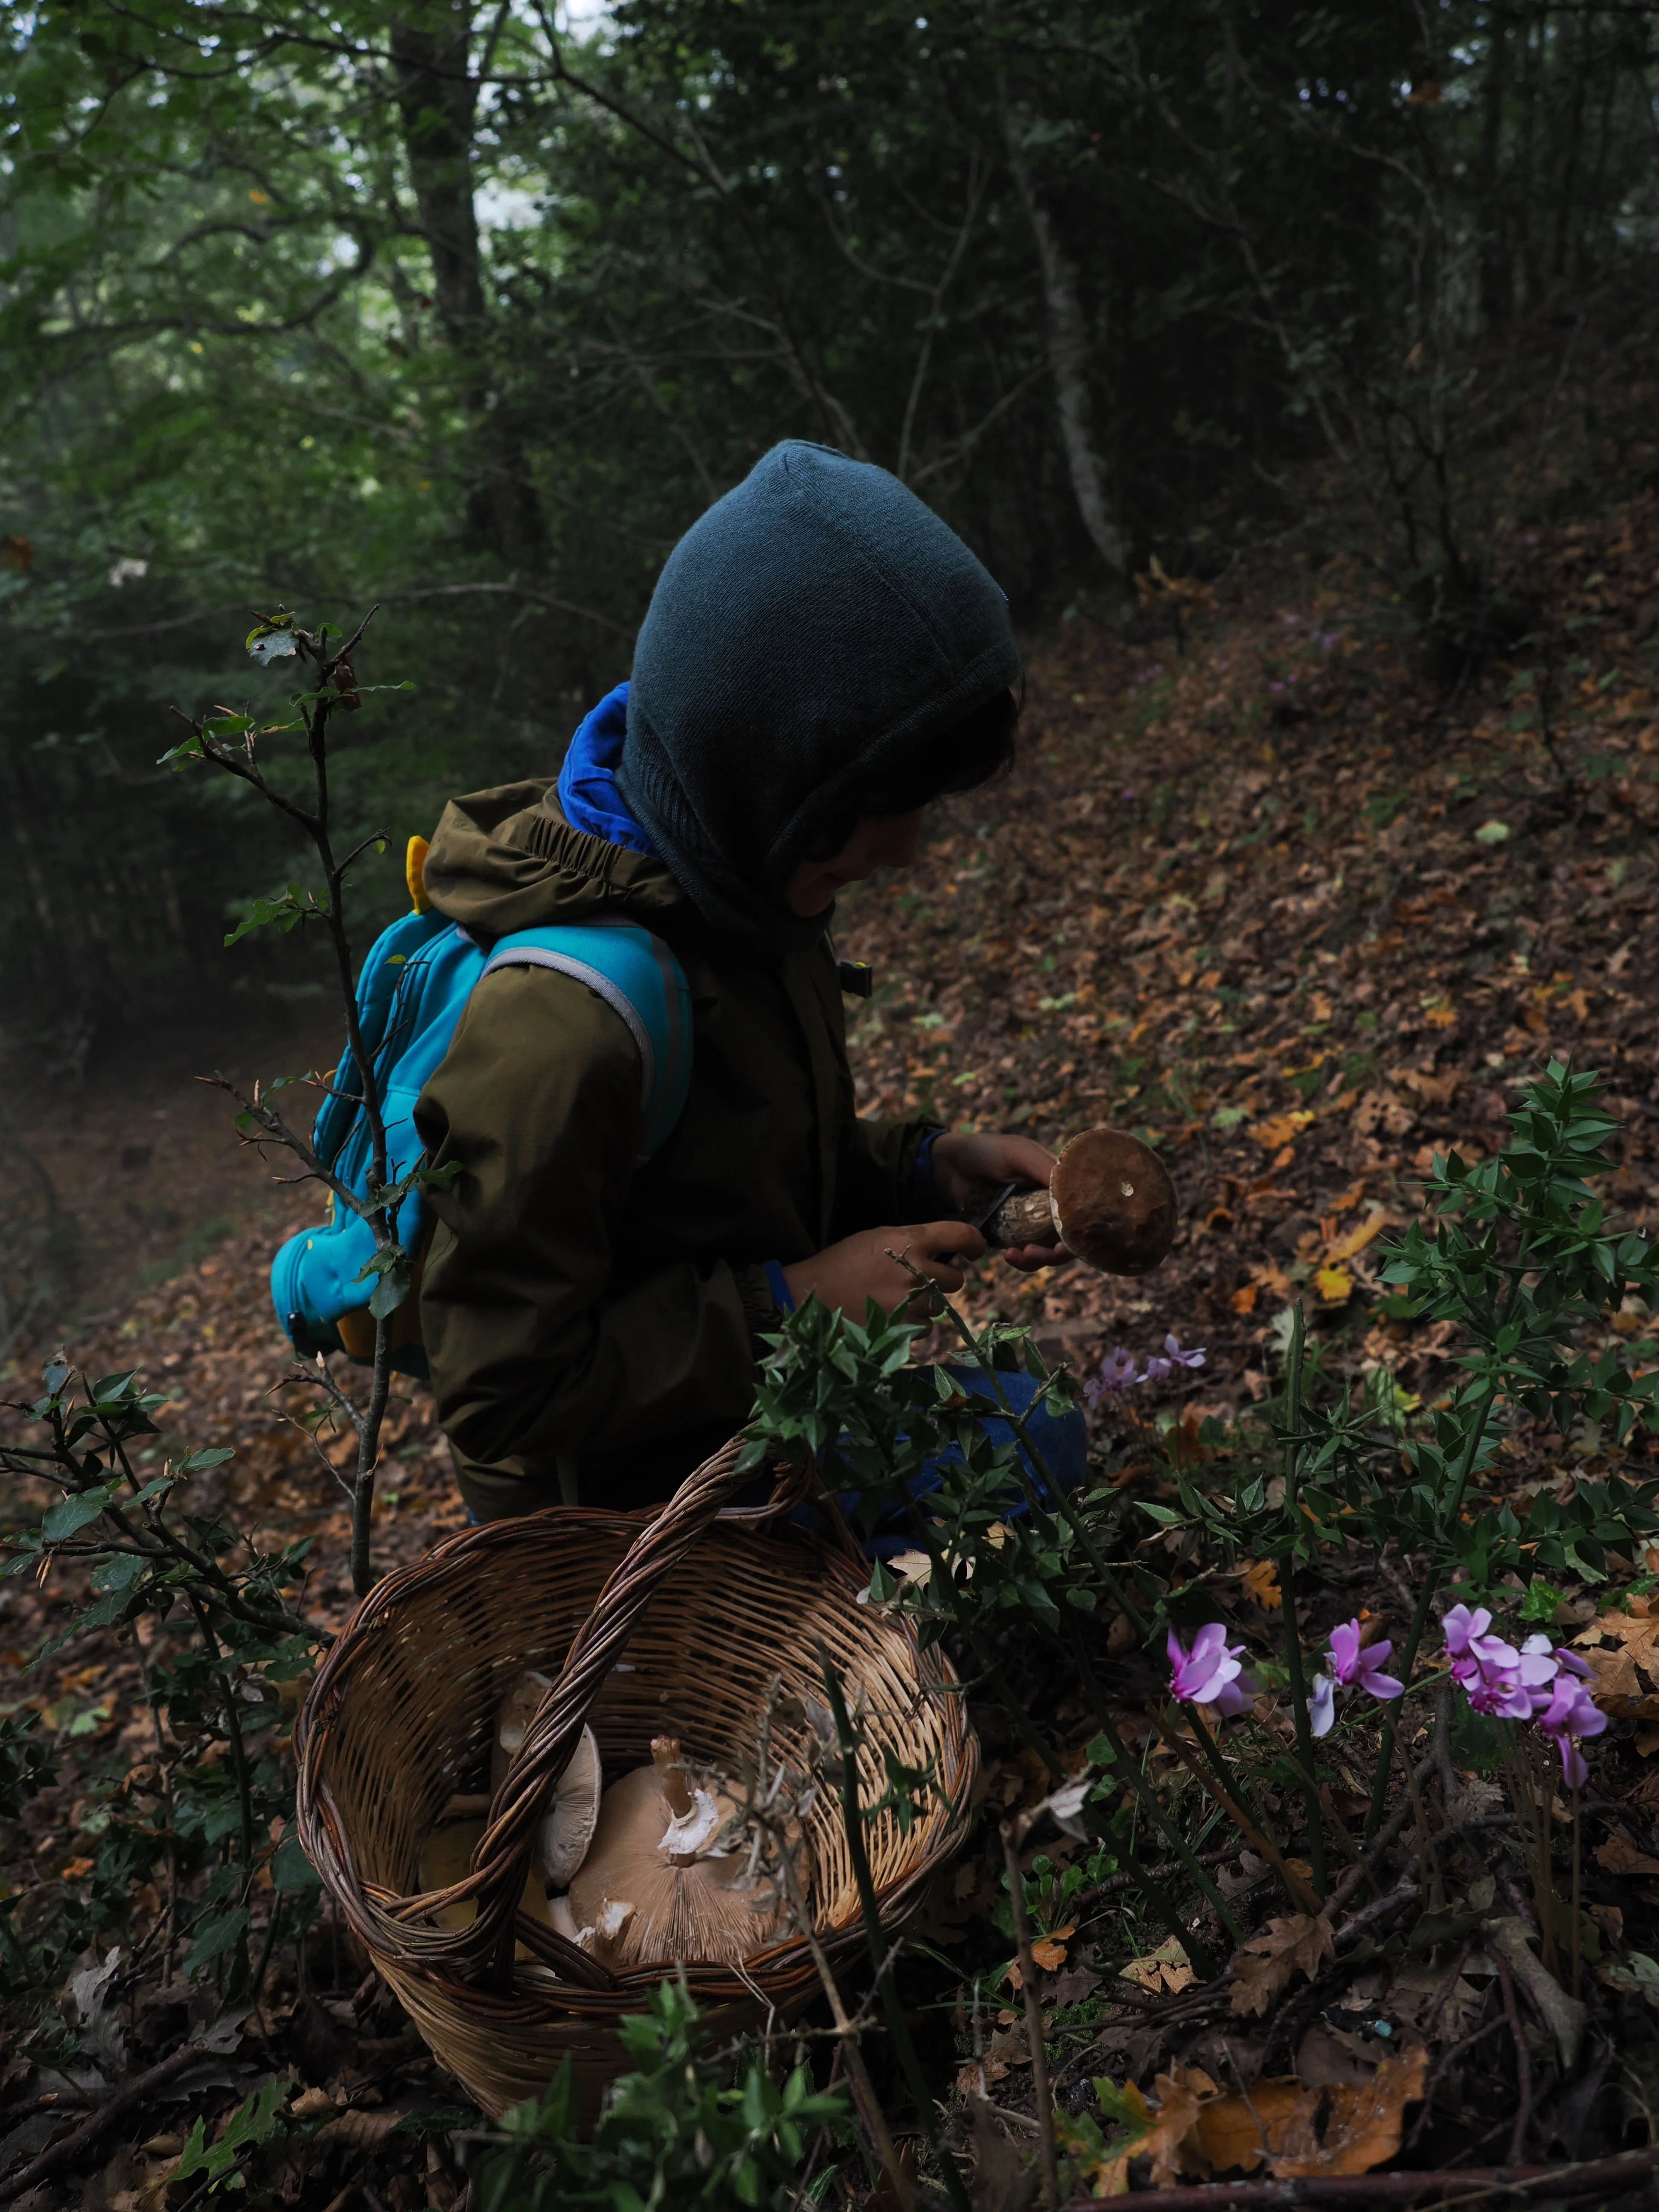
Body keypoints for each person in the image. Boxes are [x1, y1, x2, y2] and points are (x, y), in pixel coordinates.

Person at [413, 440, 1085, 1525]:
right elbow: (500, 1397)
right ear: (759, 778)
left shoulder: (744, 895)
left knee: (1030, 1426)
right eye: (883, 813)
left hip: (738, 1407)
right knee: (1027, 1448)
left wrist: (923, 1172)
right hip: (617, 1517)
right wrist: (793, 1308)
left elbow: (737, 1181)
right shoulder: (567, 1028)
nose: (909, 853)